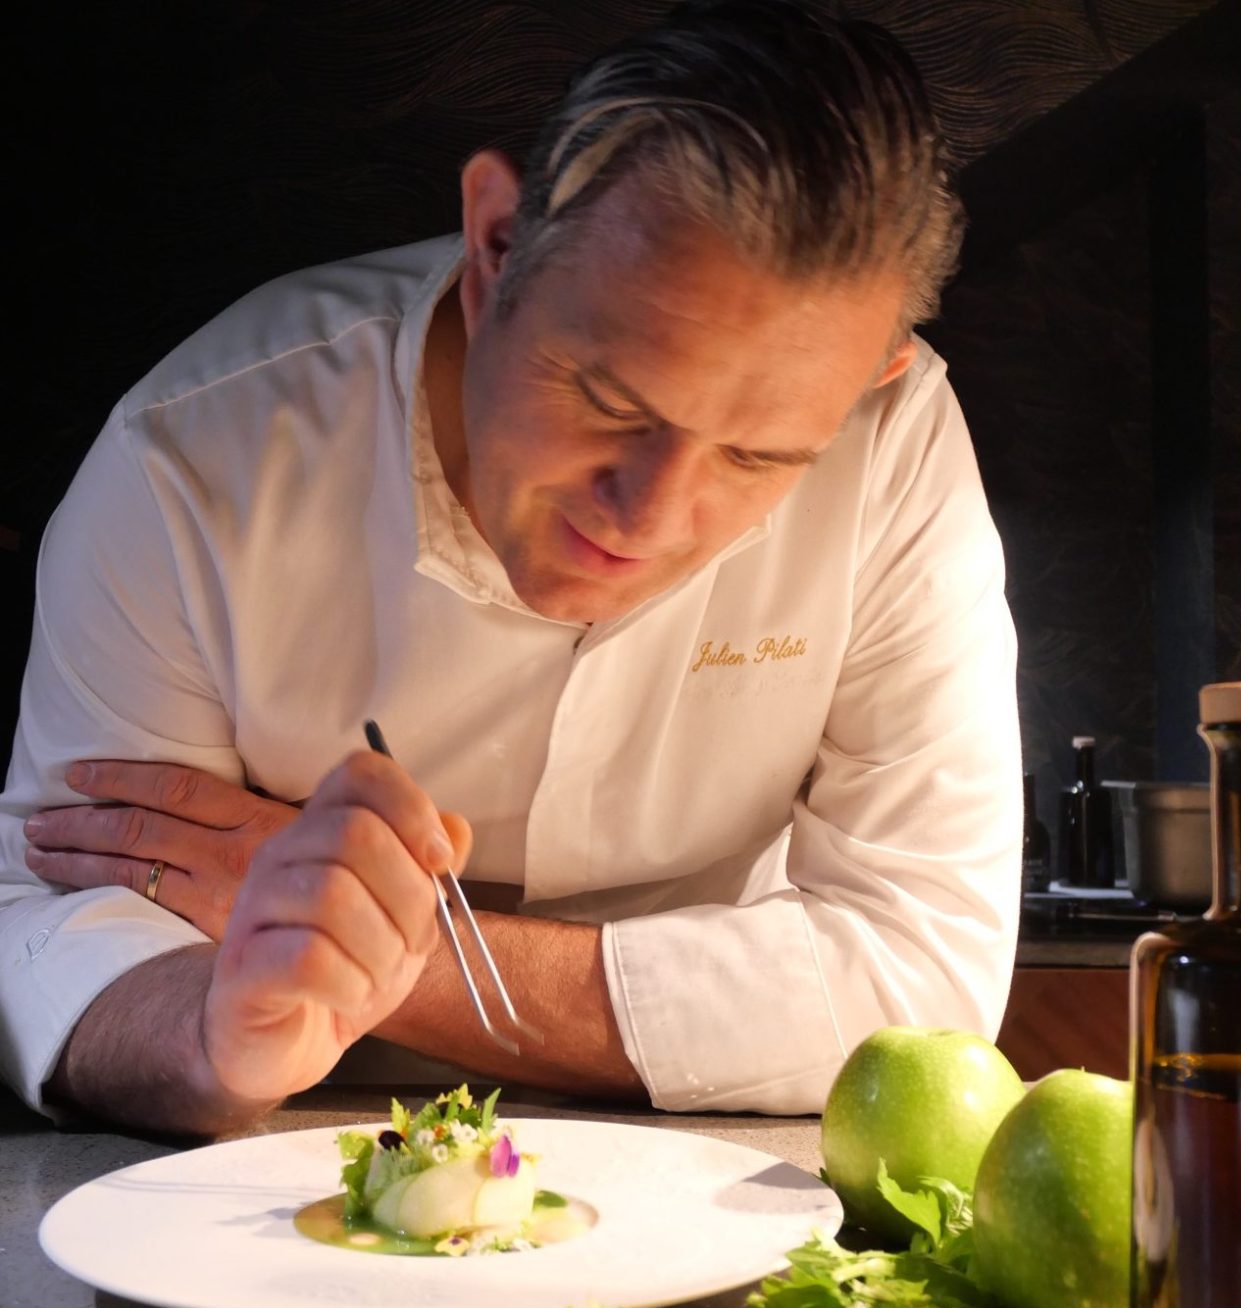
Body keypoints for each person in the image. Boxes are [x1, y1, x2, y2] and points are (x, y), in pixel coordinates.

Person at [0, 0, 1021, 1135]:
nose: (651, 514)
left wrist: (406, 961)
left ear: (870, 378)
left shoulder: (897, 445)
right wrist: (211, 1026)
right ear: (493, 248)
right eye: (606, 400)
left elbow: (920, 987)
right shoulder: (192, 458)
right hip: (268, 1165)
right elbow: (55, 917)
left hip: (718, 1195)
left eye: (754, 455)